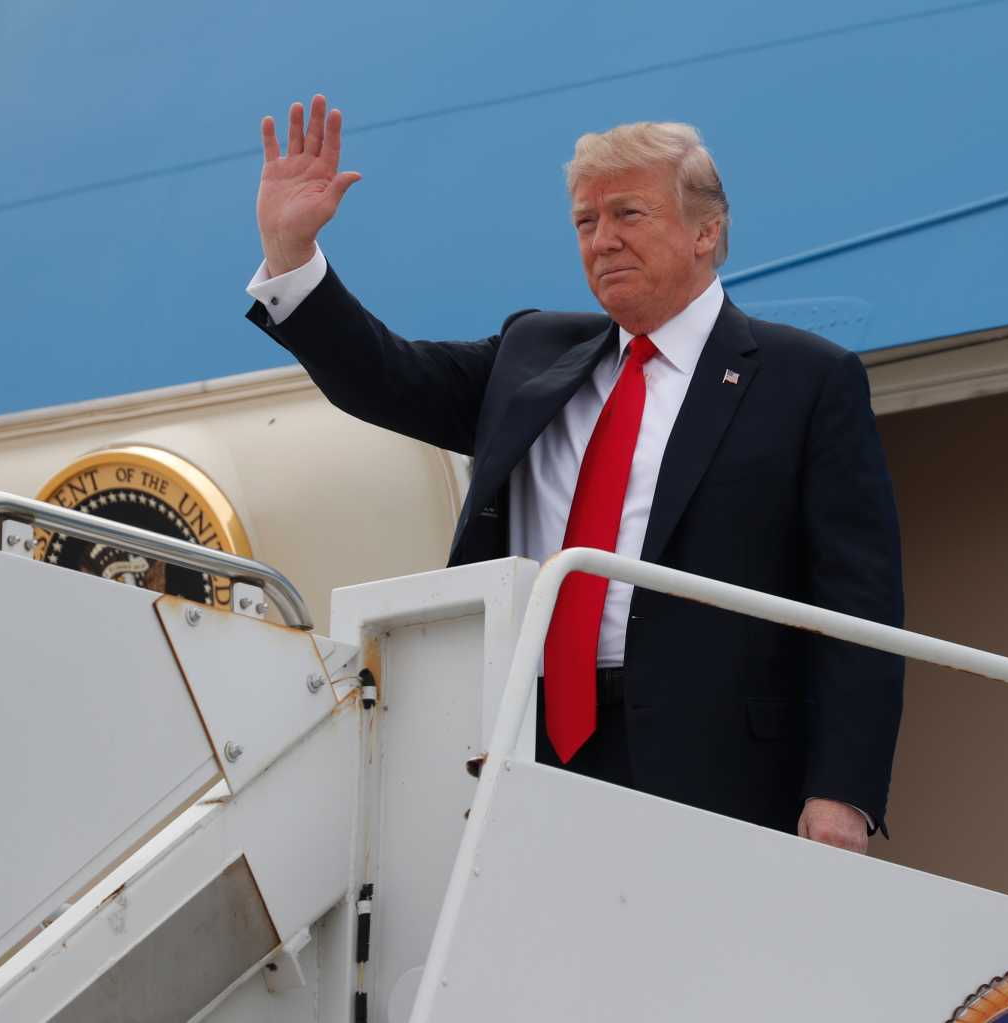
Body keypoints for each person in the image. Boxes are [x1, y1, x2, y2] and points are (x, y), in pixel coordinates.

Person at [245, 95, 903, 853]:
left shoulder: (806, 380)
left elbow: (859, 600)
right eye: (586, 223)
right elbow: (386, 377)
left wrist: (843, 790)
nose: (604, 241)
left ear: (706, 230)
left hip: (716, 767)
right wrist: (293, 257)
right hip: (524, 735)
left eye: (628, 214)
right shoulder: (534, 351)